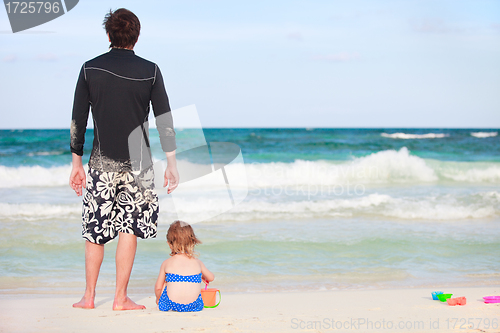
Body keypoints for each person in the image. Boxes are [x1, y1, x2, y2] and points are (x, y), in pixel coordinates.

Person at [69, 8, 179, 310]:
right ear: (137, 36)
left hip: (101, 164)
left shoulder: (90, 69)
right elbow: (164, 119)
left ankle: (89, 297)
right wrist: (171, 162)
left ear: (108, 35)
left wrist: (76, 162)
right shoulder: (151, 70)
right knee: (128, 228)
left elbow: (78, 119)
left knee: (96, 230)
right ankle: (120, 298)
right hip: (138, 165)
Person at [155, 221, 214, 312]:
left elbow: (158, 288)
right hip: (195, 305)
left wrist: (158, 299)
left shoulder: (166, 263)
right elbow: (211, 278)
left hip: (171, 304)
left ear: (169, 244)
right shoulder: (198, 262)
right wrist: (201, 275)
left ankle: (162, 302)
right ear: (192, 242)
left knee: (166, 282)